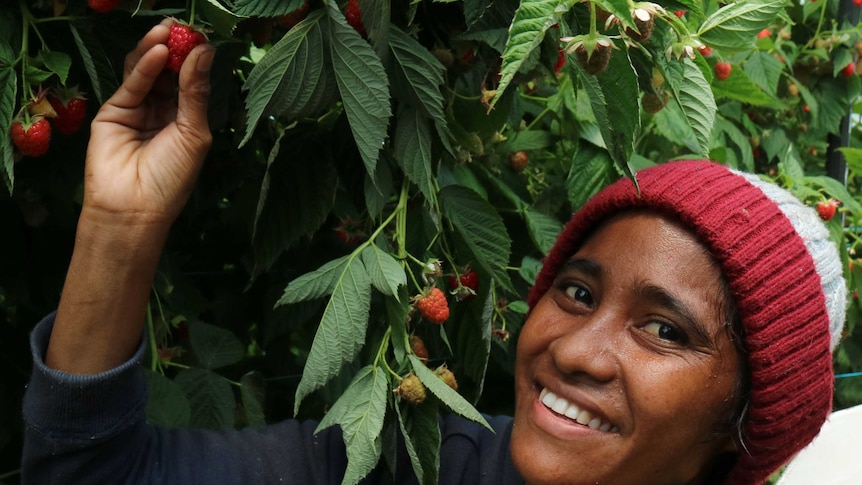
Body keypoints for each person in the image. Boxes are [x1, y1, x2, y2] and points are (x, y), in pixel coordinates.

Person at [21, 21, 847, 485]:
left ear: (744, 422)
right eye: (579, 293)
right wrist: (120, 229)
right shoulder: (409, 460)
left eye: (665, 330)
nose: (575, 350)